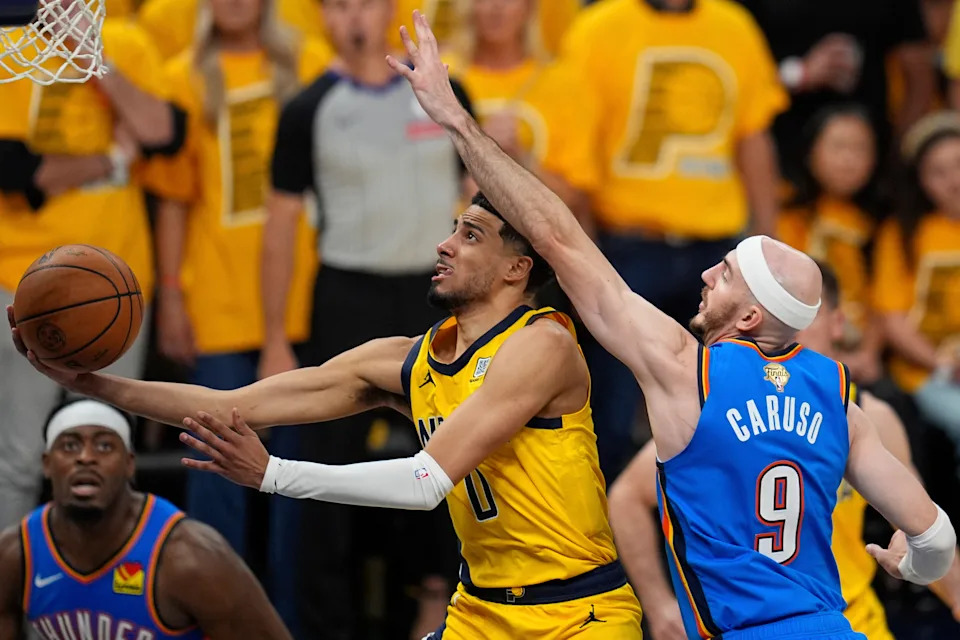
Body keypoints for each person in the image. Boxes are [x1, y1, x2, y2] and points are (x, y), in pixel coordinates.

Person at [388, 11, 957, 639]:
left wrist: (459, 123)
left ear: (748, 316)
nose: (709, 272)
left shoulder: (688, 370)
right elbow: (936, 534)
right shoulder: (843, 399)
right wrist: (912, 564)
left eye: (730, 273)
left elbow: (558, 238)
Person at [7, 191, 645, 639]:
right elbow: (232, 406)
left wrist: (274, 476)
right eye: (453, 227)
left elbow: (425, 483)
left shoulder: (544, 343)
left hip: (577, 613)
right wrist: (87, 381)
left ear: (518, 268)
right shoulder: (405, 360)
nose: (444, 244)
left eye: (470, 235)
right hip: (480, 611)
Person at [258, 0, 474, 634]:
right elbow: (279, 228)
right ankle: (328, 623)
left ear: (390, 10)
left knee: (451, 451)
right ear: (323, 17)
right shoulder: (308, 108)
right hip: (347, 293)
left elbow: (483, 194)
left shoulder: (442, 92)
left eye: (367, 1)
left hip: (433, 291)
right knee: (331, 464)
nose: (355, 14)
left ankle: (446, 607)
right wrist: (276, 337)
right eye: (341, 4)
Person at [607, 263, 960, 640]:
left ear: (837, 324)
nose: (792, 323)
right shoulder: (721, 409)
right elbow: (627, 496)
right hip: (760, 624)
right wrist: (659, 605)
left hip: (854, 619)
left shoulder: (872, 417)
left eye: (804, 312)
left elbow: (921, 525)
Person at [139, 0, 329, 630]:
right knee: (217, 483)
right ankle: (212, 624)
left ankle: (290, 625)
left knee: (299, 488)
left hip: (306, 304)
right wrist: (170, 292)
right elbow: (172, 201)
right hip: (215, 303)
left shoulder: (309, 59)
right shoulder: (179, 74)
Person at [548, 0, 788, 480]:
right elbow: (578, 148)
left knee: (725, 409)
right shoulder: (598, 28)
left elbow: (753, 138)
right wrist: (589, 256)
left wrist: (768, 245)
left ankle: (708, 536)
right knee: (611, 412)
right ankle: (612, 539)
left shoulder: (733, 25)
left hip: (718, 251)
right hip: (627, 247)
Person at [0, 15, 179, 531]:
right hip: (20, 279)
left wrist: (93, 55)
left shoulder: (127, 41)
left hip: (114, 288)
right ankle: (10, 601)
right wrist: (113, 160)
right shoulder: (11, 47)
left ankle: (116, 591)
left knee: (112, 450)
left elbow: (160, 130)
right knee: (16, 457)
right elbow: (16, 171)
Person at [0, 399, 292, 640]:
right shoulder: (16, 553)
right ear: (47, 464)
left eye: (104, 446)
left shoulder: (190, 557)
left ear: (129, 464)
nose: (85, 458)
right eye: (70, 446)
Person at [737, 0, 934, 183]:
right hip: (779, 155)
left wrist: (899, 150)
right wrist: (798, 74)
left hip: (869, 163)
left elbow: (919, 74)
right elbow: (729, 68)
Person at [873, 111, 960, 477]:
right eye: (937, 172)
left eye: (958, 165)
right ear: (921, 181)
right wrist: (943, 363)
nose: (953, 180)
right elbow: (893, 321)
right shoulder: (902, 234)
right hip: (928, 370)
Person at [778, 104, 884, 383]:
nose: (849, 160)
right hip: (797, 354)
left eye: (860, 149)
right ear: (810, 151)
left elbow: (882, 305)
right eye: (838, 147)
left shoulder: (878, 223)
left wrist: (868, 355)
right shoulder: (786, 215)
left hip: (860, 354)